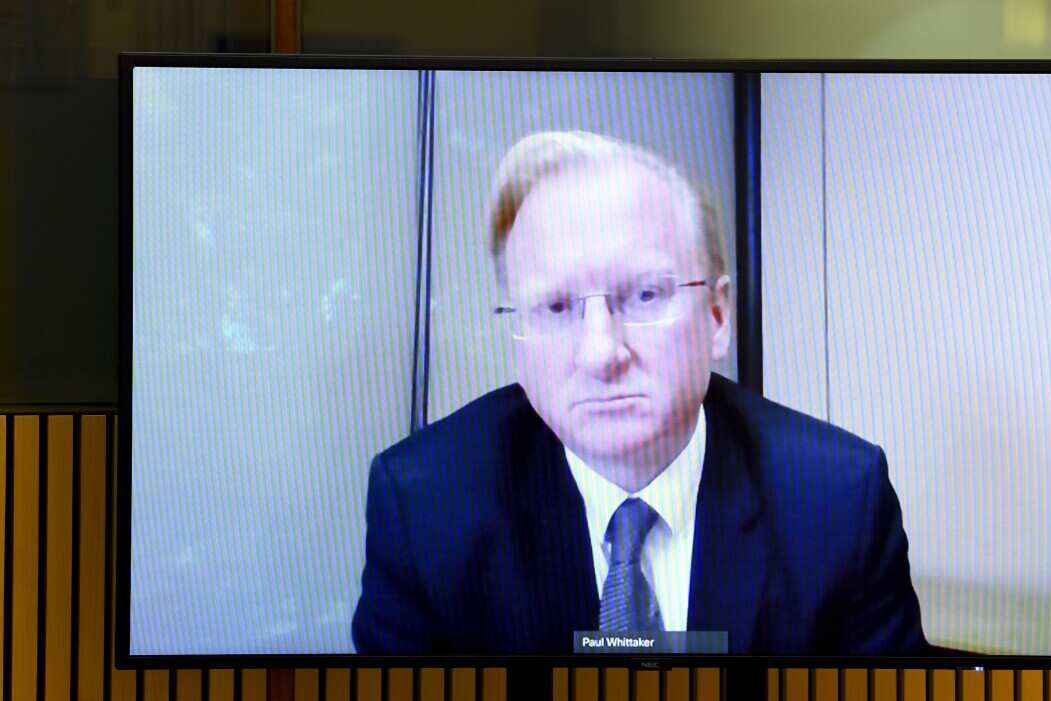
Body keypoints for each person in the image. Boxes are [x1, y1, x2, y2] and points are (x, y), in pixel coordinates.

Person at [352, 130, 929, 655]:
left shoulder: (835, 498)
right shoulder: (425, 505)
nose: (602, 352)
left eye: (645, 296)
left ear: (718, 314)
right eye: (556, 307)